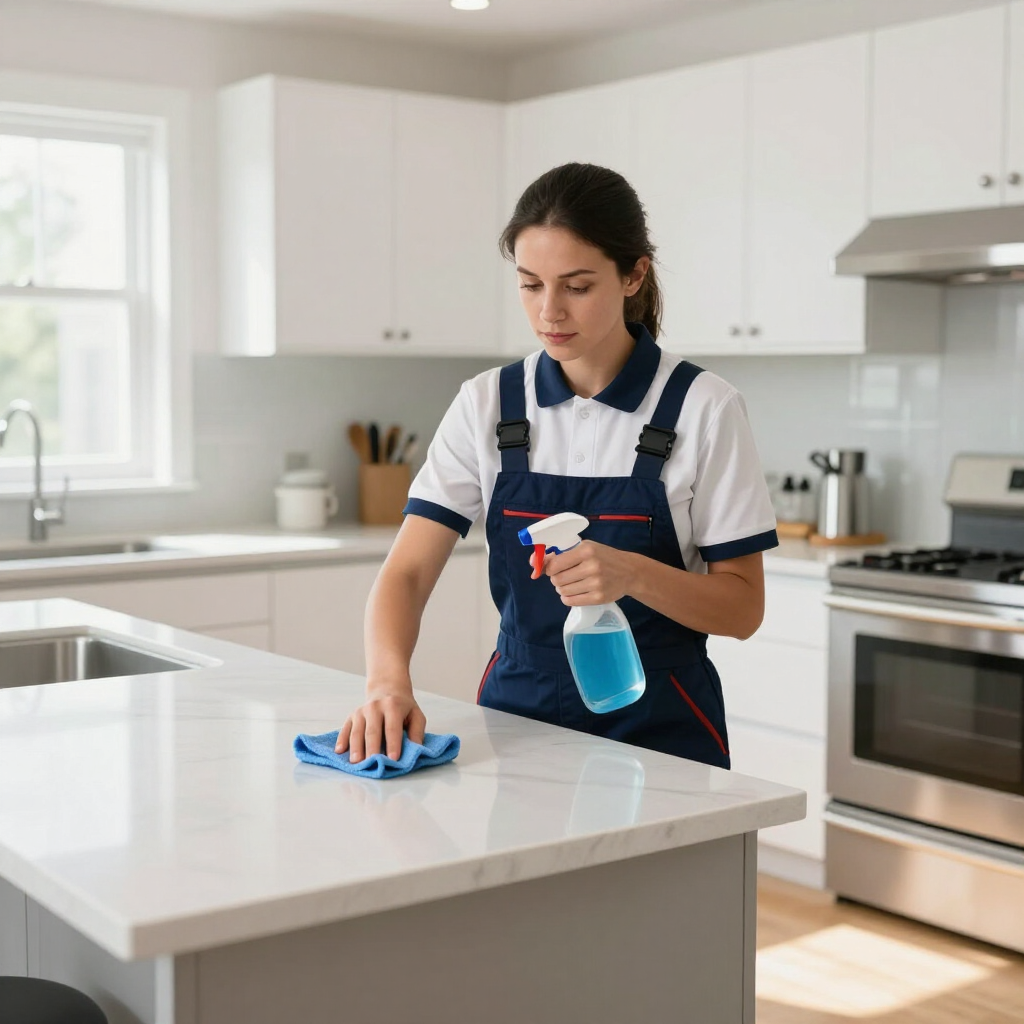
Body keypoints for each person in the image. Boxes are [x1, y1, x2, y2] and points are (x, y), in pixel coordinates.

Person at [336, 162, 778, 769]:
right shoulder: (487, 403)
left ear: (633, 275)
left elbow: (743, 609)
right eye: (529, 284)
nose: (549, 312)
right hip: (517, 716)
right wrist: (386, 682)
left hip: (664, 726)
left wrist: (633, 574)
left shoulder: (704, 408)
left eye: (577, 286)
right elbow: (407, 572)